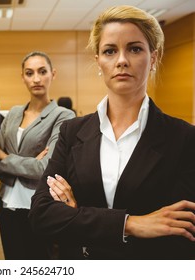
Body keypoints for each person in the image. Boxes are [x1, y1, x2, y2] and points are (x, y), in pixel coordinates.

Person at [29, 5, 195, 259]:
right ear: (98, 60)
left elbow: (180, 232)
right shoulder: (72, 132)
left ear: (154, 57)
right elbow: (42, 214)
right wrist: (132, 223)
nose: (121, 60)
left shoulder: (183, 138)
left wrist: (77, 213)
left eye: (135, 48)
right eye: (110, 51)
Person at [0, 51, 75, 259]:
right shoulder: (12, 114)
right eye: (29, 73)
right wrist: (28, 162)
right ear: (23, 77)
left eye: (42, 71)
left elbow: (45, 168)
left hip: (39, 207)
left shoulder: (64, 116)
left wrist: (6, 157)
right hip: (7, 203)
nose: (36, 79)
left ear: (53, 74)